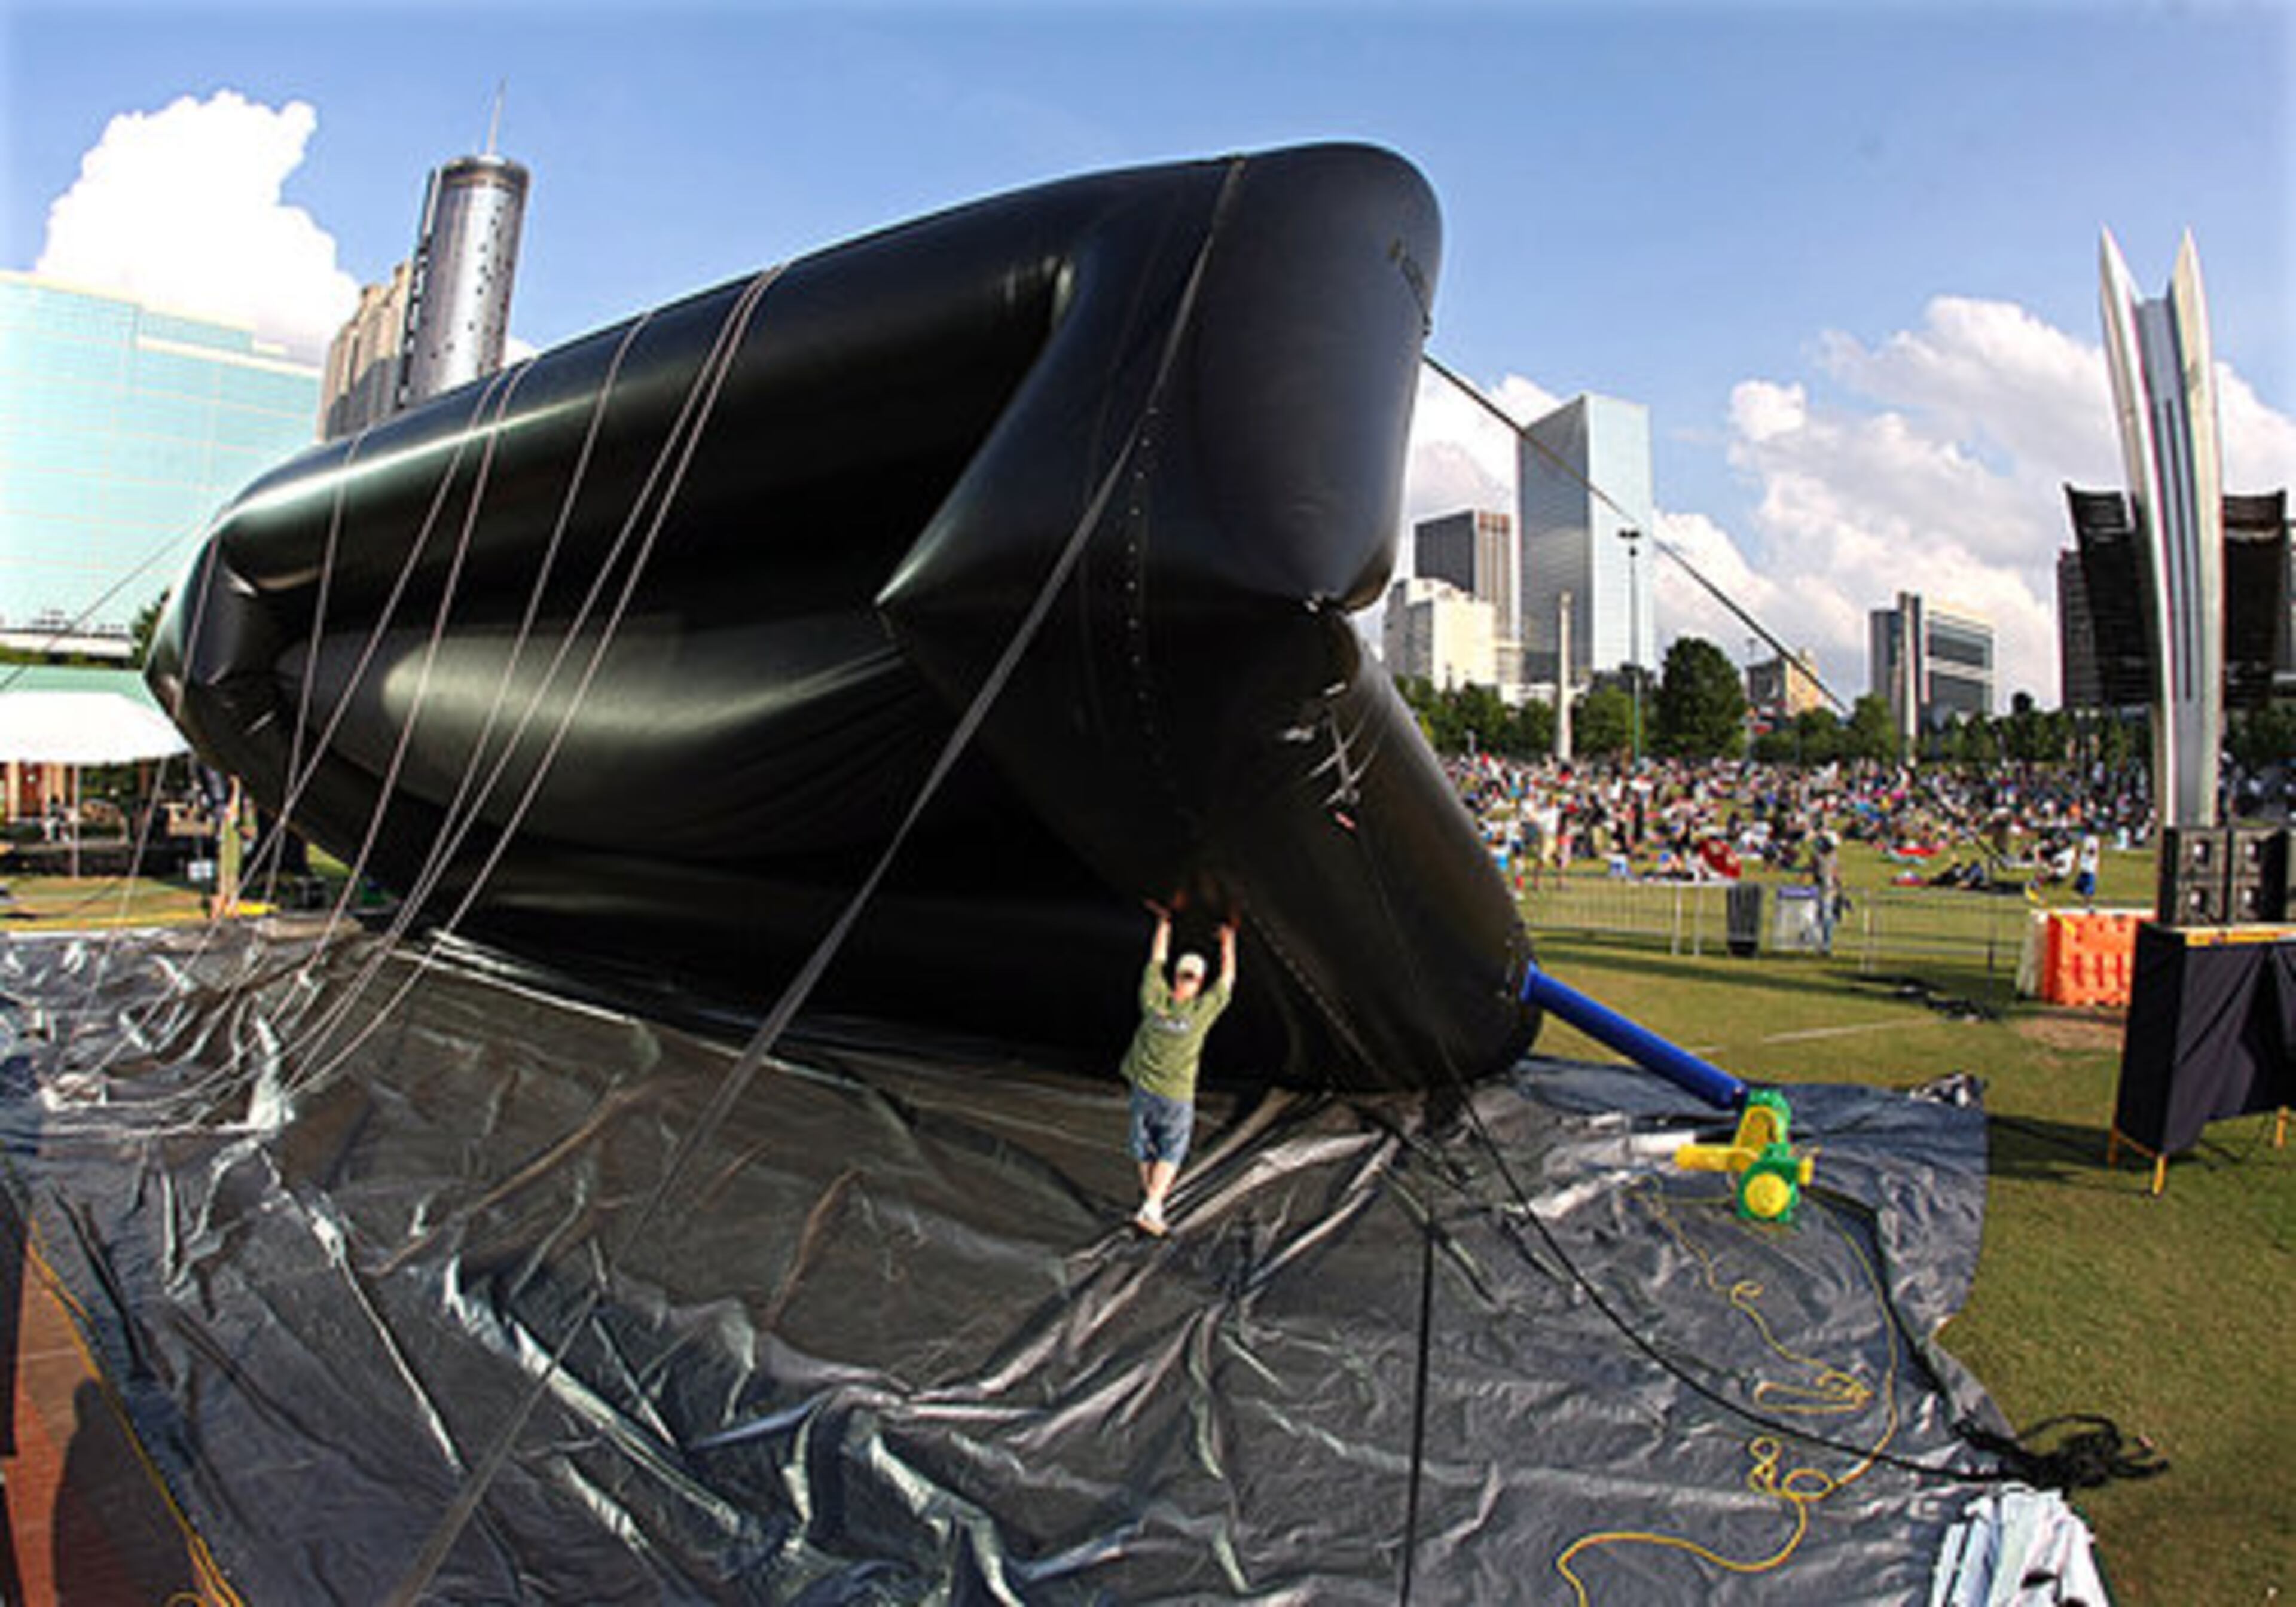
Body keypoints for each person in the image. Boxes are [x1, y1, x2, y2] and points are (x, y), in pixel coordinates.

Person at [1120, 900, 1236, 1238]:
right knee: (1172, 1150)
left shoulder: (1153, 1000)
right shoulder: (1199, 1014)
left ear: (1175, 977)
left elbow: (1155, 960)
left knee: (1145, 1147)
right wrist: (1229, 941)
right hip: (1177, 1096)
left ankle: (1150, 1203)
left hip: (1145, 1089)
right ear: (1199, 983)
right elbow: (1228, 980)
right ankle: (1153, 1207)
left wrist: (1164, 924)